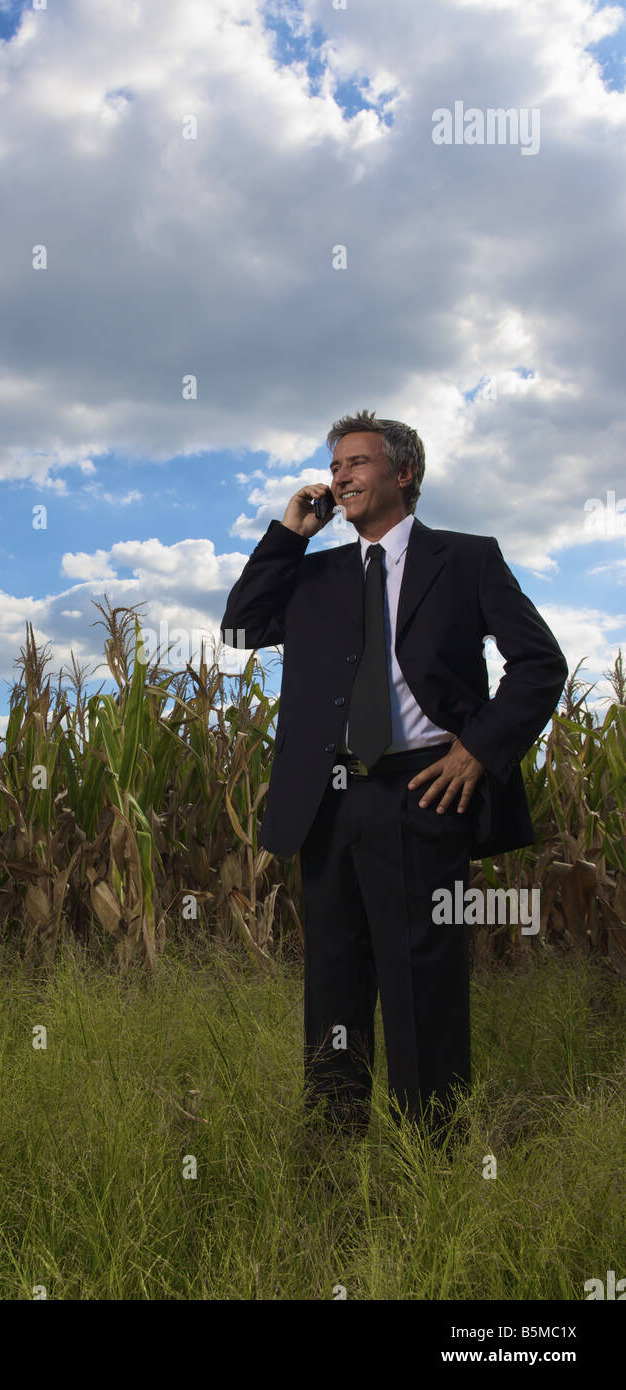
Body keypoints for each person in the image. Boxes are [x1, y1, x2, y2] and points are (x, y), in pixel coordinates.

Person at [219, 409, 568, 1143]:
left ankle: (430, 1163)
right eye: (335, 464)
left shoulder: (467, 559)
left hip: (424, 791)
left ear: (403, 473)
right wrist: (289, 533)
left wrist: (477, 749)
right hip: (329, 802)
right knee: (334, 989)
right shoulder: (314, 577)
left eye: (357, 462)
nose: (340, 475)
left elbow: (540, 665)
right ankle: (334, 1155)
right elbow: (242, 628)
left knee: (422, 988)